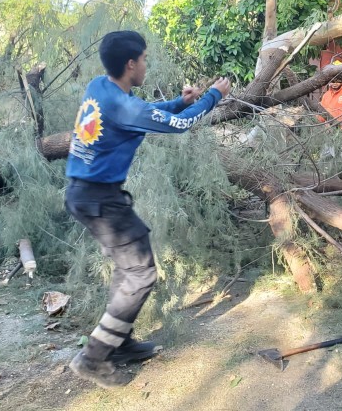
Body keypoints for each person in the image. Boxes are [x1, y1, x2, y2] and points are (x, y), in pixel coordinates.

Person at [65, 31, 231, 388]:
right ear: (130, 64)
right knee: (141, 274)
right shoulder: (124, 105)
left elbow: (147, 115)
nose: (146, 64)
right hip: (99, 199)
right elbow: (179, 125)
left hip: (87, 193)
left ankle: (118, 344)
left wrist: (179, 101)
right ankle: (93, 358)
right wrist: (215, 95)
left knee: (129, 269)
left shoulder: (101, 86)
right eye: (143, 59)